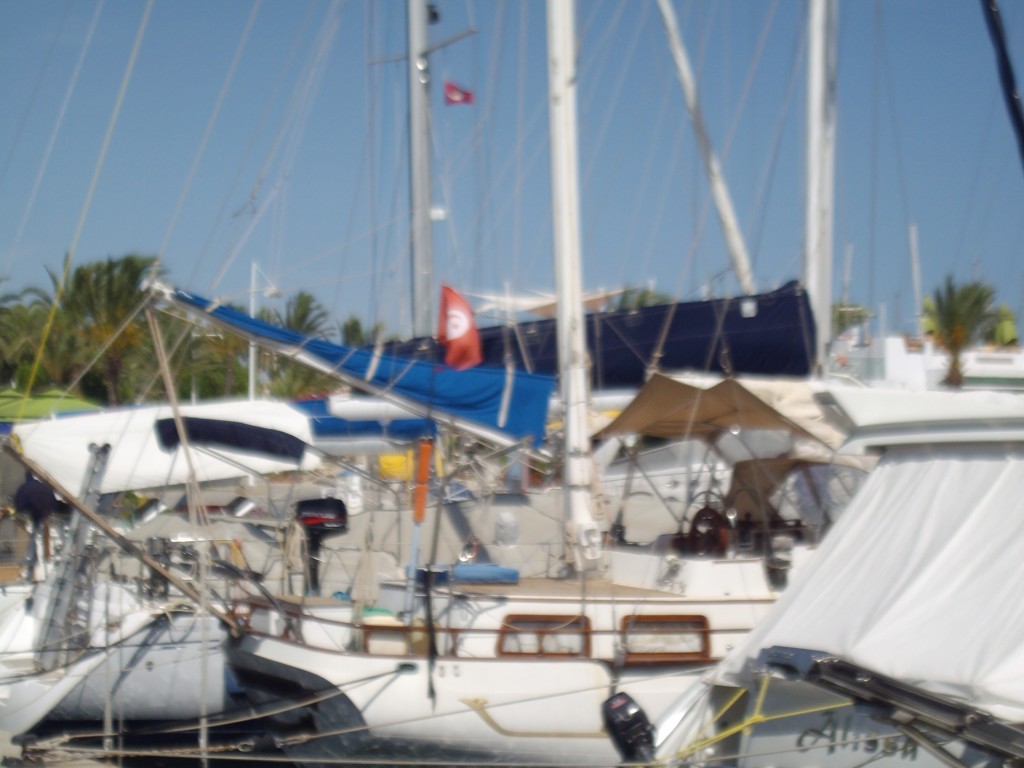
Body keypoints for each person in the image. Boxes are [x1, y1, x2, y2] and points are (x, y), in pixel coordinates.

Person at [14, 471, 56, 573]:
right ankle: (45, 561)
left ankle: (34, 559)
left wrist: (19, 510)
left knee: (35, 536)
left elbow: (19, 503)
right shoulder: (45, 487)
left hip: (33, 514)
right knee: (42, 538)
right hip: (46, 515)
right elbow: (53, 501)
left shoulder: (25, 487)